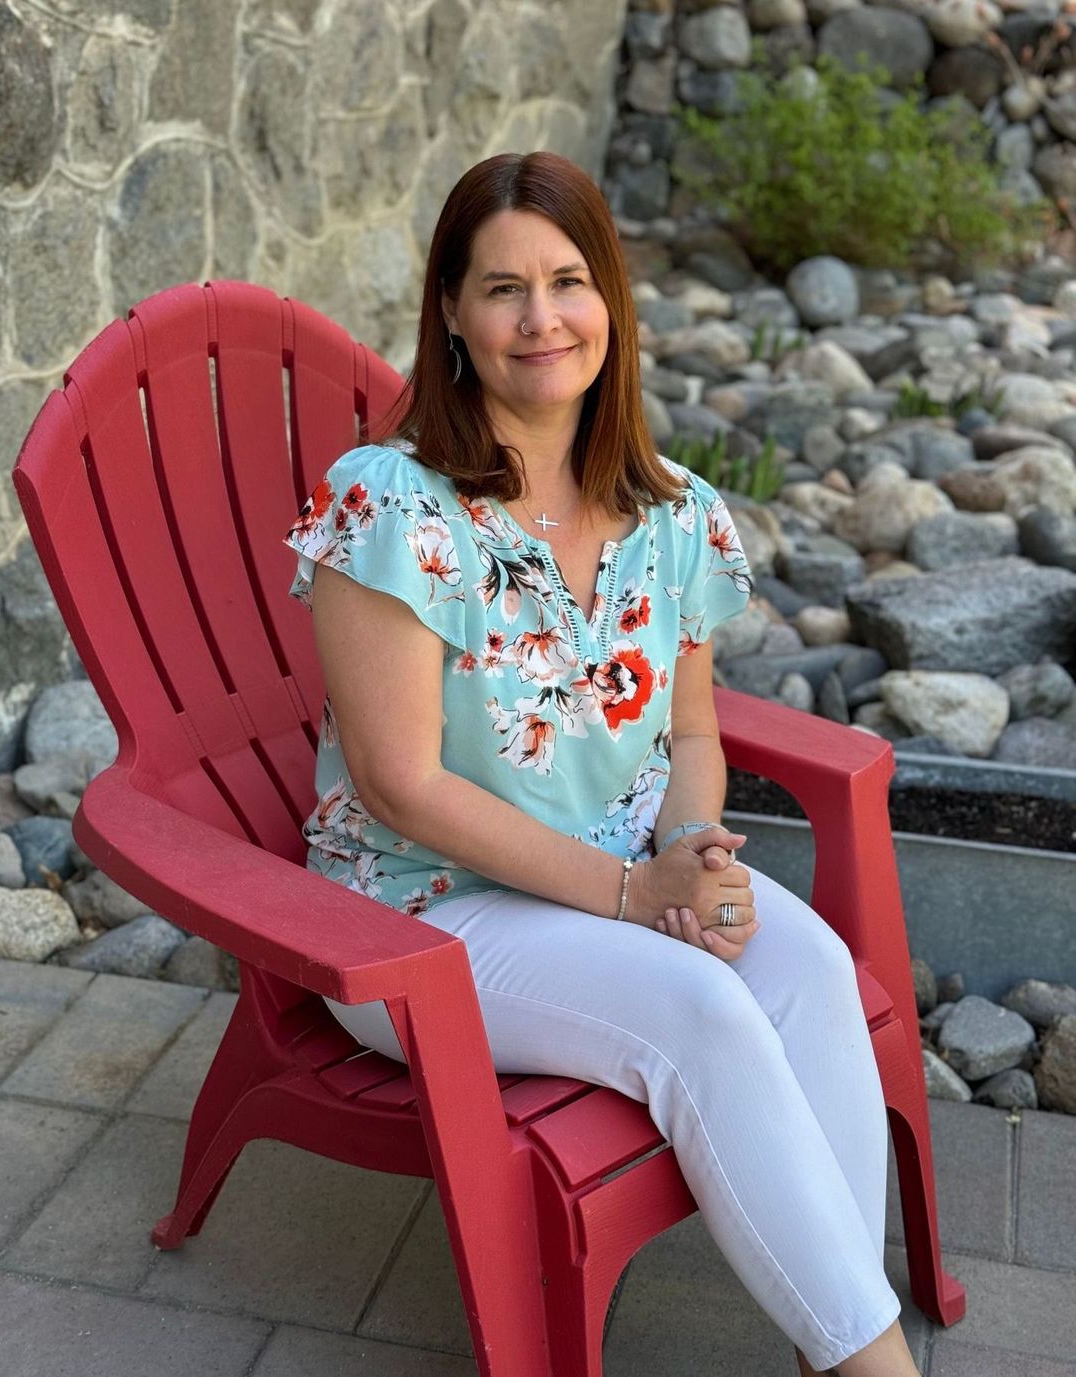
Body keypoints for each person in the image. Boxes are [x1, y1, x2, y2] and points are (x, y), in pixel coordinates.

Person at [282, 151, 920, 1377]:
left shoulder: (670, 509)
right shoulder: (394, 507)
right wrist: (639, 902)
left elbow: (688, 733)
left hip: (624, 869)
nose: (541, 319)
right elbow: (397, 782)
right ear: (454, 317)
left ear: (611, 303)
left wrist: (685, 849)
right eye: (502, 288)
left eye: (569, 281)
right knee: (703, 1012)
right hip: (416, 918)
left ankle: (829, 1344)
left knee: (813, 972)